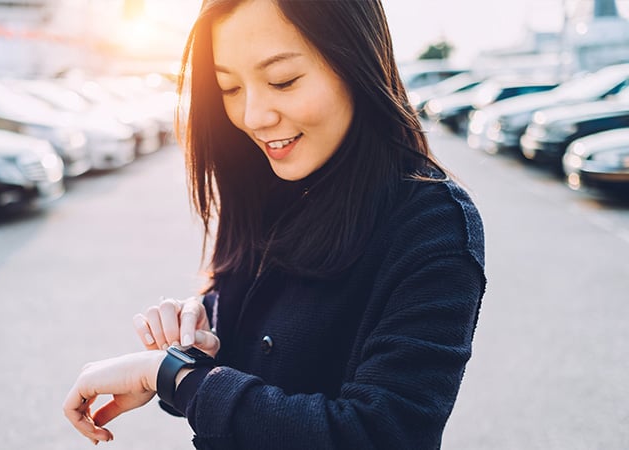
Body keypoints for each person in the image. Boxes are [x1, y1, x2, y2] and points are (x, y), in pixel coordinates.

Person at [63, 0, 486, 448]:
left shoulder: (433, 226)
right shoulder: (263, 181)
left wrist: (176, 377)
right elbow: (244, 357)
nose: (253, 116)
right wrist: (196, 336)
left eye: (282, 81)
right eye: (229, 87)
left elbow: (380, 433)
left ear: (356, 60)